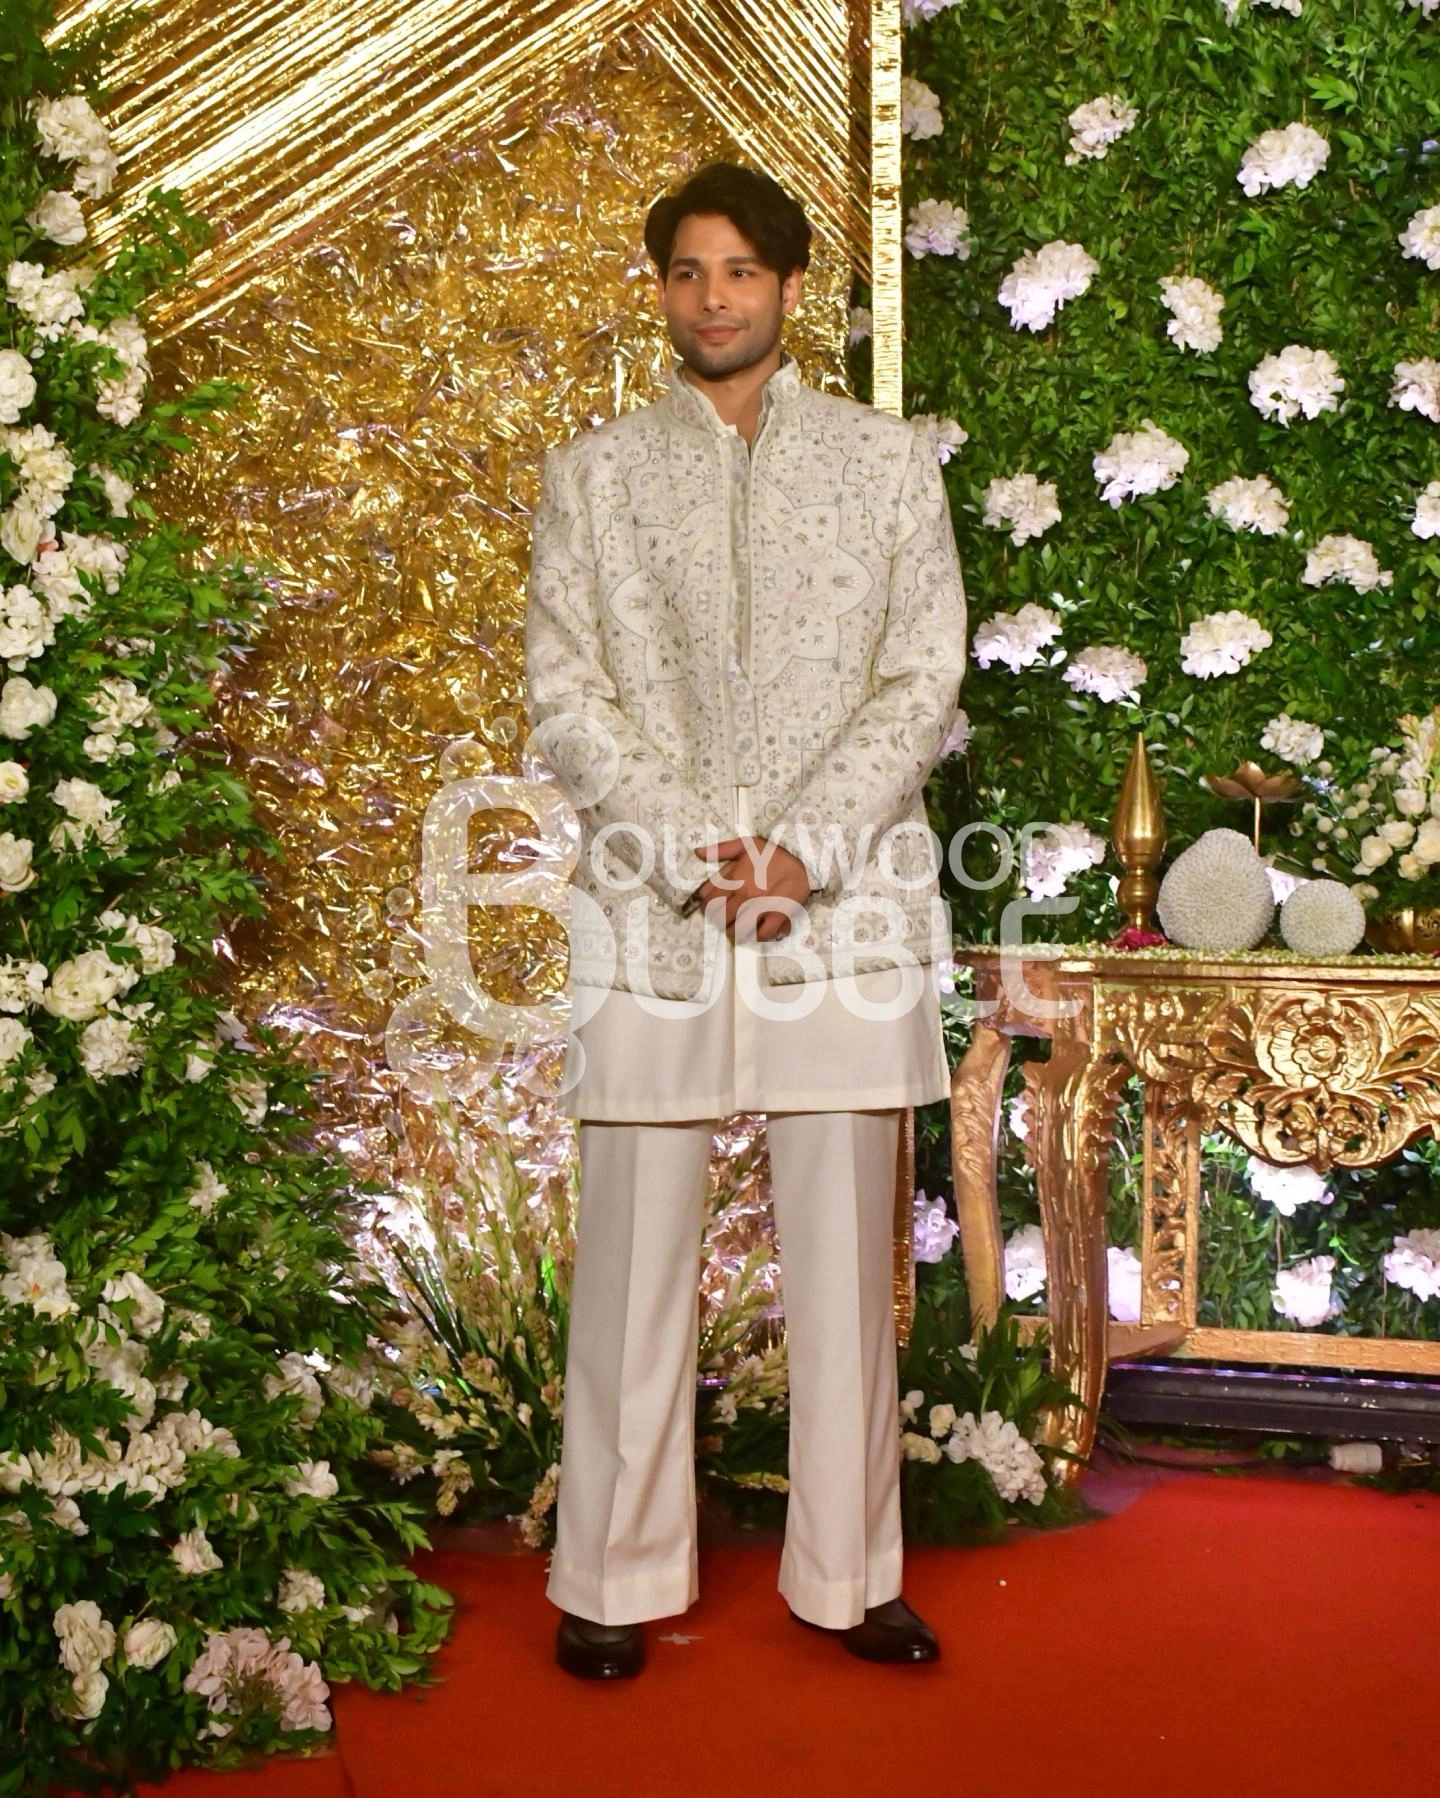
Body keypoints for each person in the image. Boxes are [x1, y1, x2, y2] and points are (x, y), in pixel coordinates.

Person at [522, 160, 968, 1680]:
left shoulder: (886, 465)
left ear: (790, 290)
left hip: (839, 906)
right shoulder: (594, 476)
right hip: (655, 908)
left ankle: (852, 1576)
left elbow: (921, 675)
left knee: (844, 1261)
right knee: (631, 1254)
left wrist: (803, 851)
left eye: (740, 272)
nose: (713, 298)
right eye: (687, 271)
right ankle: (610, 1573)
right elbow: (566, 692)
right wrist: (690, 851)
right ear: (660, 289)